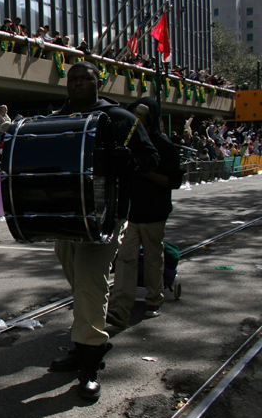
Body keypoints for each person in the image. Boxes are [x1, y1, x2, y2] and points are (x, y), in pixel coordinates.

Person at [48, 62, 158, 401]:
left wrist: (130, 162)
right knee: (82, 284)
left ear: (99, 83)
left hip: (106, 218)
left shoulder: (121, 119)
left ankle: (90, 361)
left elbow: (150, 158)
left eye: (86, 79)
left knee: (91, 283)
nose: (79, 84)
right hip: (69, 219)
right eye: (73, 80)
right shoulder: (57, 120)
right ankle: (85, 344)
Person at [108, 98, 183, 325]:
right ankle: (120, 306)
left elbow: (173, 181)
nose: (135, 120)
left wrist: (144, 170)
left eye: (139, 116)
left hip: (154, 212)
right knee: (125, 259)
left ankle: (154, 299)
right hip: (130, 212)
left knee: (152, 259)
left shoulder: (164, 145)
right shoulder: (129, 143)